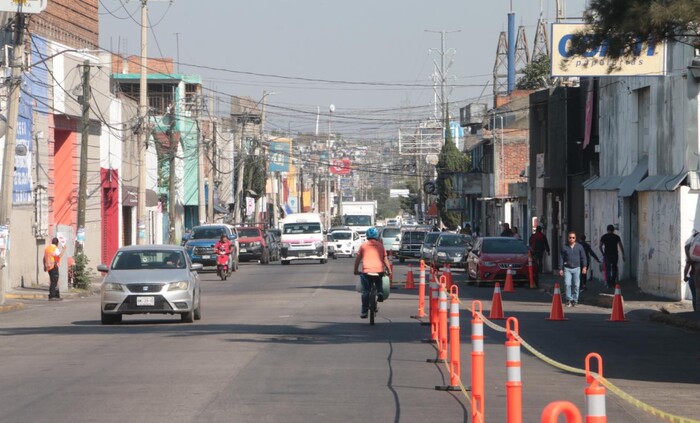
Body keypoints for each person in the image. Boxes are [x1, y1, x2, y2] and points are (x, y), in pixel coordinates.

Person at [353, 226, 392, 319]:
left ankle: (364, 312)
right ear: (376, 236)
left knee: (365, 291)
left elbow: (358, 259)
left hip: (366, 272)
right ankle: (380, 293)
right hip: (379, 270)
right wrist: (389, 270)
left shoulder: (363, 246)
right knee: (379, 281)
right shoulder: (380, 246)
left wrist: (355, 270)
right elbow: (385, 259)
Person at [558, 231, 587, 307]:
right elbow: (561, 258)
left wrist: (584, 267)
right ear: (568, 238)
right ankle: (568, 300)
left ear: (575, 238)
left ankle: (575, 300)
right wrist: (560, 268)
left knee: (576, 285)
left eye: (573, 238)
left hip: (577, 268)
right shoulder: (565, 247)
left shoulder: (579, 247)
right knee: (567, 284)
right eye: (570, 237)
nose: (571, 239)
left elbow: (583, 257)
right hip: (567, 268)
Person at [599, 224, 625, 289]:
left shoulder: (604, 237)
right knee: (614, 268)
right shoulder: (616, 237)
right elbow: (621, 246)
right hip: (615, 254)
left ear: (607, 230)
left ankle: (609, 283)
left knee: (608, 269)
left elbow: (600, 246)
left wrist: (603, 253)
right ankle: (613, 282)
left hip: (607, 254)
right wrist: (623, 254)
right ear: (613, 230)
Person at [683, 228, 699, 312]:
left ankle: (696, 313)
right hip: (696, 277)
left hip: (692, 277)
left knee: (695, 296)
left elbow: (687, 266)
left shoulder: (692, 256)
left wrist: (685, 276)